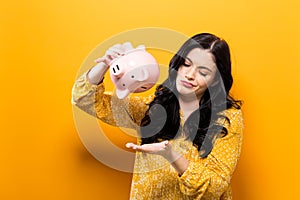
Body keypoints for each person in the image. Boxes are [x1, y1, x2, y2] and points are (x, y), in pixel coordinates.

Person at [72, 33, 243, 199]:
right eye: (186, 64)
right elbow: (84, 99)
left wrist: (171, 155)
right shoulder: (153, 108)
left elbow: (214, 188)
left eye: (203, 72)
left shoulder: (227, 119)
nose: (190, 75)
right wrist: (105, 65)